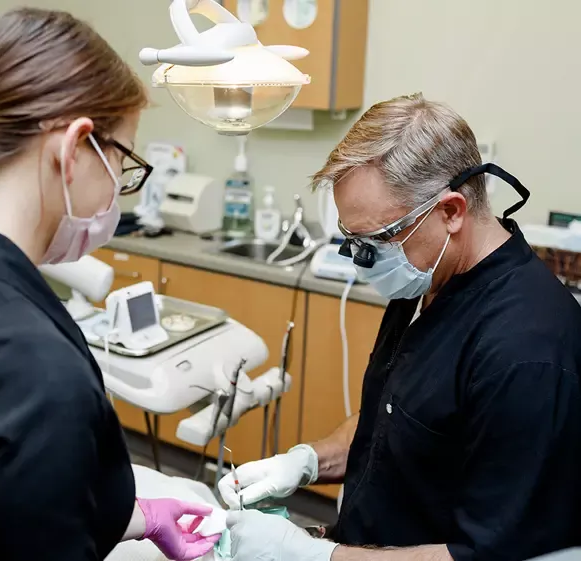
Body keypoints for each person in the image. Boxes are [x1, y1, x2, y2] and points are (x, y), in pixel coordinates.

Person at [0, 9, 220, 561]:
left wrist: (134, 516)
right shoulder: (32, 373)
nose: (118, 191)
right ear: (74, 147)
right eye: (122, 163)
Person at [220, 93, 581, 561]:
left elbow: (481, 555)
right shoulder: (425, 281)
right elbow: (396, 418)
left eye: (378, 239)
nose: (363, 259)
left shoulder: (526, 353)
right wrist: (307, 461)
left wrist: (314, 557)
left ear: (451, 212)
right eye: (353, 240)